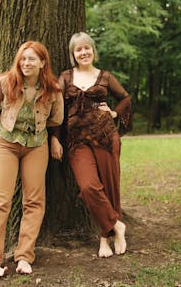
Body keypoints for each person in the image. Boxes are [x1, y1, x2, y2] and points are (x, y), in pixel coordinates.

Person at [0, 41, 63, 278]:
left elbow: (57, 118)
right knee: (1, 200)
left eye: (32, 59)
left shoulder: (53, 89)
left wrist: (50, 137)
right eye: (23, 58)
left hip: (37, 146)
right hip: (5, 145)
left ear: (42, 63)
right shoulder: (7, 81)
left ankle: (24, 256)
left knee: (34, 201)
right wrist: (4, 127)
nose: (26, 63)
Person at [50, 32, 132, 257]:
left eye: (87, 48)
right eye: (78, 49)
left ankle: (104, 239)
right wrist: (54, 137)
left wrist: (115, 113)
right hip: (77, 141)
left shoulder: (105, 76)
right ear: (73, 54)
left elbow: (125, 98)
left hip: (106, 137)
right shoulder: (66, 77)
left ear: (93, 50)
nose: (83, 52)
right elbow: (58, 110)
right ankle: (117, 224)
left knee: (109, 185)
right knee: (88, 187)